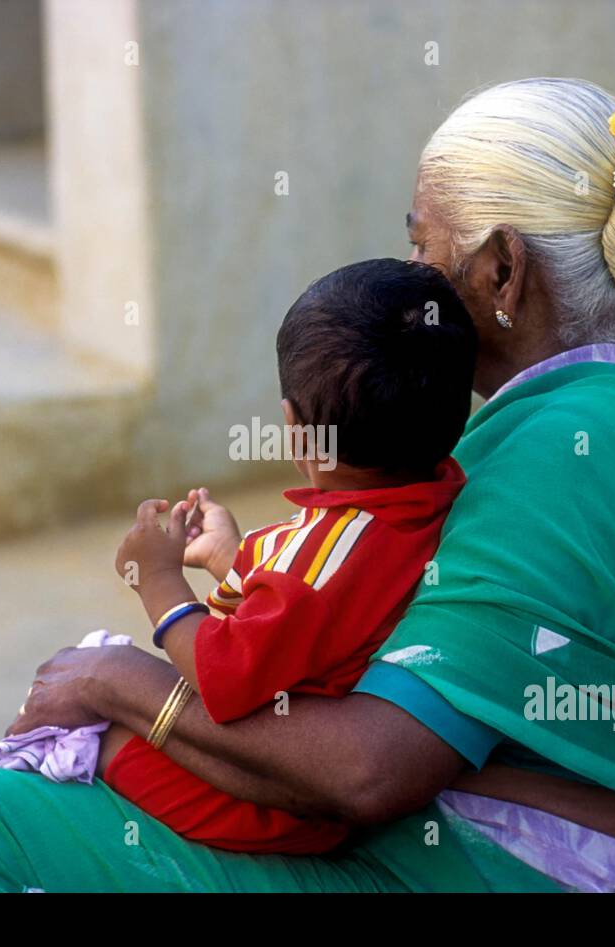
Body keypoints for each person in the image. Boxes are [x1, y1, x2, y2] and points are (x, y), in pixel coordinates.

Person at [0, 78, 615, 893]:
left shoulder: (543, 464)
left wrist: (120, 682)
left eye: (422, 250)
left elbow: (366, 774)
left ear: (502, 270)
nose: (408, 279)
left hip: (483, 868)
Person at [101, 258, 473, 854]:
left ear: (295, 429)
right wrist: (232, 557)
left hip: (268, 799)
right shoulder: (431, 499)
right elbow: (323, 604)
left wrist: (159, 581)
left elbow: (223, 674)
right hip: (306, 788)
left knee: (100, 734)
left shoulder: (330, 547)